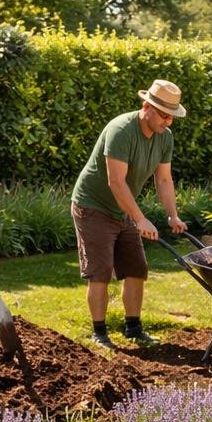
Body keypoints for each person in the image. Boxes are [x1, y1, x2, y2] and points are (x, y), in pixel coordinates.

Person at [70, 78, 189, 349]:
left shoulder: (164, 137)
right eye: (163, 115)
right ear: (146, 106)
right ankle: (99, 333)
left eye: (172, 117)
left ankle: (133, 328)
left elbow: (164, 180)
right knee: (100, 271)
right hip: (93, 206)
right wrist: (139, 218)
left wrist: (172, 215)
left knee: (136, 268)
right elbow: (116, 182)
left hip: (122, 207)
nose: (167, 122)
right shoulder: (121, 130)